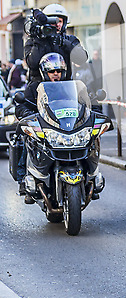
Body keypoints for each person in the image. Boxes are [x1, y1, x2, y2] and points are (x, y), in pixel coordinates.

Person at [16, 53, 67, 201]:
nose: (55, 74)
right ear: (45, 72)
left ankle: (91, 177)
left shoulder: (69, 85)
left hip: (65, 127)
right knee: (29, 141)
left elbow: (82, 101)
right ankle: (24, 180)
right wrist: (27, 113)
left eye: (58, 71)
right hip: (44, 127)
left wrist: (92, 108)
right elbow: (21, 105)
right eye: (52, 71)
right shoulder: (34, 87)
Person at [24, 3, 88, 83]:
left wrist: (62, 42)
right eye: (53, 21)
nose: (57, 25)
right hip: (39, 89)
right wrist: (40, 40)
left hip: (65, 88)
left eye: (60, 21)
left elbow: (82, 59)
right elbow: (32, 63)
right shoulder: (33, 41)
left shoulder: (70, 40)